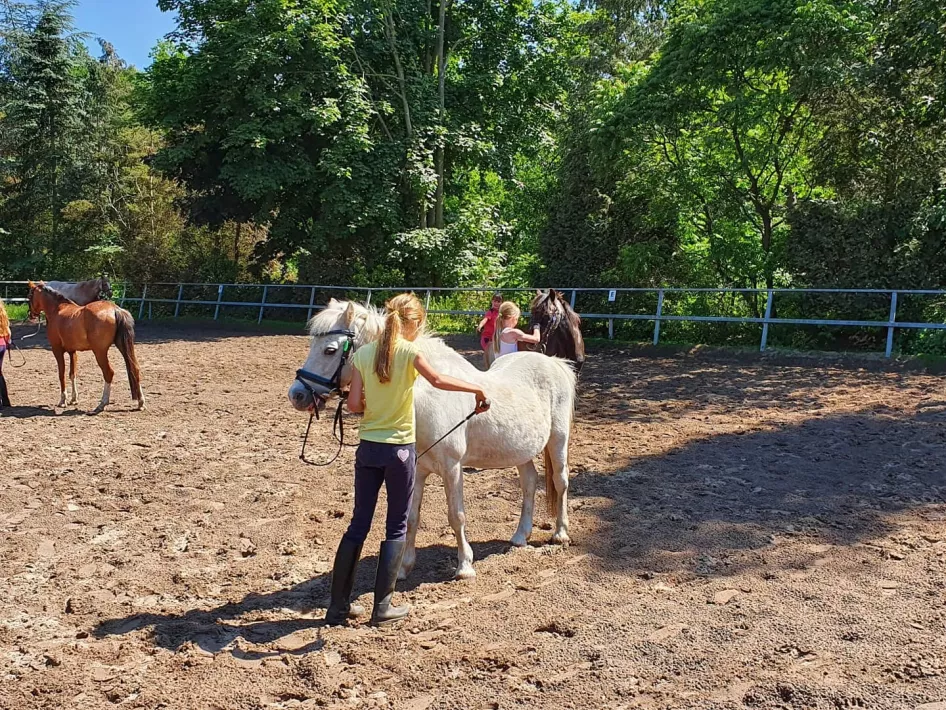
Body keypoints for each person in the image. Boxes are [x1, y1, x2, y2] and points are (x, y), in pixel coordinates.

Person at [326, 293, 490, 627]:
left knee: (358, 524)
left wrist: (373, 400)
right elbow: (440, 381)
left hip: (368, 448)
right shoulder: (410, 352)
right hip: (400, 451)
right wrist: (477, 390)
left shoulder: (364, 355)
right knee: (396, 524)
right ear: (414, 324)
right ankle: (382, 606)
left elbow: (355, 405)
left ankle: (337, 606)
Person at [475, 293, 503, 368]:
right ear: (492, 301)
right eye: (495, 301)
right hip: (487, 337)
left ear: (501, 303)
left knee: (495, 354)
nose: (496, 303)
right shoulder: (490, 312)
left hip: (496, 338)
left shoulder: (501, 314)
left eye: (498, 301)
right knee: (490, 353)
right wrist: (480, 326)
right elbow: (485, 319)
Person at [0, 297, 11, 409]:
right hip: (2, 344)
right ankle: (5, 400)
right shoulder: (3, 314)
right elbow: (8, 331)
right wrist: (8, 342)